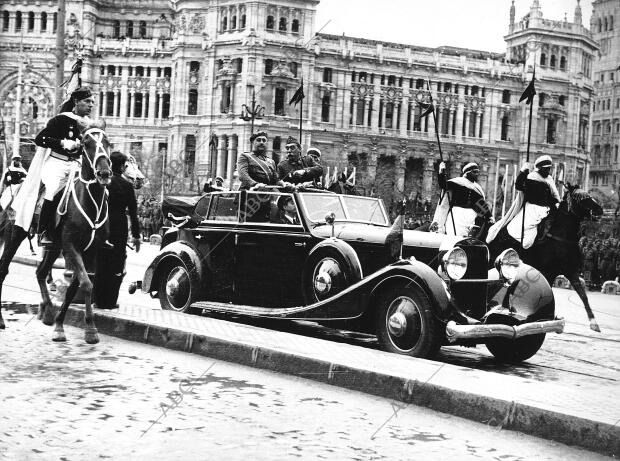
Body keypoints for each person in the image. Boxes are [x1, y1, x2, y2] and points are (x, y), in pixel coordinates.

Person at [34, 87, 95, 245]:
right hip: (57, 163)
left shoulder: (91, 125)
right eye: (87, 101)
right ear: (76, 101)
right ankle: (44, 231)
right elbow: (40, 139)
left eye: (93, 102)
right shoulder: (61, 120)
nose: (91, 105)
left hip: (77, 164)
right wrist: (62, 142)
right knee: (53, 190)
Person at [94, 151, 141, 310]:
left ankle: (97, 299)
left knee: (101, 261)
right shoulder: (127, 186)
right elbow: (133, 213)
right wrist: (136, 235)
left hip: (103, 224)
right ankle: (110, 301)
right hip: (120, 226)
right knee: (117, 264)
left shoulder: (102, 183)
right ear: (122, 166)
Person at [487, 155, 560, 250]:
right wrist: (523, 172)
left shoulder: (549, 179)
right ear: (539, 168)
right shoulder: (532, 177)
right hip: (532, 209)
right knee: (523, 230)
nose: (548, 171)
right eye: (546, 169)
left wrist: (556, 203)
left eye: (549, 169)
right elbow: (519, 186)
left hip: (548, 209)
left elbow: (554, 195)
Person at [431, 162, 492, 237]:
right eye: (474, 172)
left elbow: (481, 204)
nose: (477, 174)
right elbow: (443, 184)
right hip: (457, 213)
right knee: (454, 234)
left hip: (471, 216)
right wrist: (441, 171)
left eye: (477, 172)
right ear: (467, 173)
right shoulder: (457, 182)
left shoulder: (477, 188)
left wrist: (489, 216)